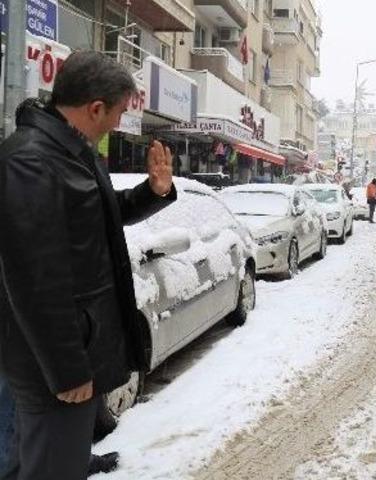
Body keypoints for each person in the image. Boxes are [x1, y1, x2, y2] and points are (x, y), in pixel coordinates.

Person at [0, 51, 177, 480]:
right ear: (95, 107)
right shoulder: (32, 161)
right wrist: (67, 370)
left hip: (71, 352)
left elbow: (98, 213)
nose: (117, 124)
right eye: (117, 113)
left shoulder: (70, 151)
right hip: (52, 366)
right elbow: (35, 281)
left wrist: (152, 192)